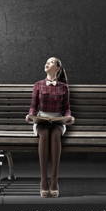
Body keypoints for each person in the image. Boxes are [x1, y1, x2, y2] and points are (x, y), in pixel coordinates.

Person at [25, 57, 75, 198]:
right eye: (47, 61)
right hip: (41, 120)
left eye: (51, 62)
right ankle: (43, 180)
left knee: (55, 135)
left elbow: (66, 109)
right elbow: (33, 107)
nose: (47, 63)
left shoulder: (63, 87)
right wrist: (30, 116)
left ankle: (54, 180)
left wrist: (69, 117)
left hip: (58, 120)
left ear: (58, 68)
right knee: (45, 134)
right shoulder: (38, 85)